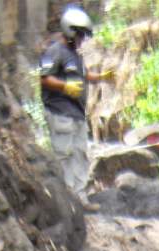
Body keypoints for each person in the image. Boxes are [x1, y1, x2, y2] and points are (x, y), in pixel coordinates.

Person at [39, 5, 113, 201]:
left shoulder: (76, 56)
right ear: (70, 31)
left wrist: (101, 77)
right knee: (64, 154)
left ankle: (80, 198)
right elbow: (44, 78)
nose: (82, 40)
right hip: (60, 113)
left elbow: (83, 75)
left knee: (80, 154)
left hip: (77, 114)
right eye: (80, 35)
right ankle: (67, 199)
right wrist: (64, 87)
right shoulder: (54, 52)